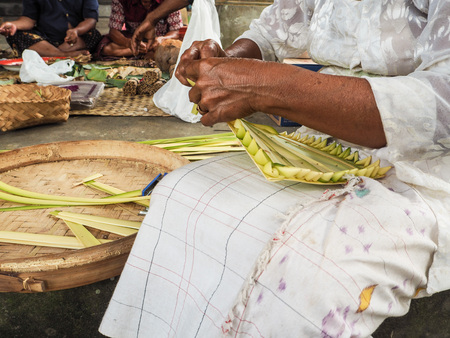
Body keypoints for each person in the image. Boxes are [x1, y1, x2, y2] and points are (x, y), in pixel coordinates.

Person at [100, 1, 450, 337]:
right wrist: (228, 61)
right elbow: (271, 33)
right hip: (324, 141)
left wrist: (267, 87)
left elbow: (442, 103)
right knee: (180, 193)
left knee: (307, 265)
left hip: (423, 167)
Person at [0, 0, 102, 58]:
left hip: (73, 41)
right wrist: (13, 25)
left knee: (93, 35)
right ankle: (62, 55)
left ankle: (49, 55)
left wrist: (76, 30)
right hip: (44, 41)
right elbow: (29, 19)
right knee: (15, 34)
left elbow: (91, 20)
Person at [97, 0, 183, 58]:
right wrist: (129, 43)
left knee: (175, 49)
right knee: (107, 49)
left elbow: (176, 31)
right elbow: (114, 31)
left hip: (159, 43)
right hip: (134, 41)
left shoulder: (170, 2)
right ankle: (143, 51)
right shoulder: (122, 1)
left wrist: (162, 39)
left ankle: (143, 52)